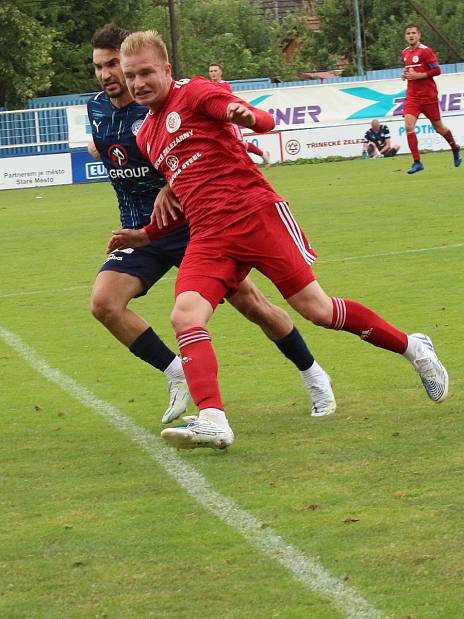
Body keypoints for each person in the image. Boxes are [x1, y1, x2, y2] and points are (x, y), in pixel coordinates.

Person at [111, 30, 448, 450]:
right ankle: (213, 417)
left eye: (146, 72)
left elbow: (262, 120)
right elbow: (184, 191)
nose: (138, 82)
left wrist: (246, 116)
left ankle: (413, 347)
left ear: (166, 69)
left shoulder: (195, 92)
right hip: (209, 235)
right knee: (185, 315)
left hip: (257, 216)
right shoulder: (146, 134)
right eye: (131, 76)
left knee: (318, 310)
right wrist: (147, 234)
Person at [87, 23, 335, 424]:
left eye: (116, 65)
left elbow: (211, 139)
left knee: (254, 305)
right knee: (104, 304)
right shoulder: (97, 107)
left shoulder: (157, 100)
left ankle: (313, 372)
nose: (109, 75)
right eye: (100, 67)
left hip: (193, 226)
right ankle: (177, 374)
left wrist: (174, 183)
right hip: (141, 230)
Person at [401, 24, 461, 174]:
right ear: (405, 36)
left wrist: (419, 76)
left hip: (428, 97)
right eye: (408, 33)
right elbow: (411, 70)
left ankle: (454, 147)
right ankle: (417, 162)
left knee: (439, 128)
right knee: (409, 126)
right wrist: (406, 75)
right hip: (412, 97)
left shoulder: (425, 51)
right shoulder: (405, 53)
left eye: (414, 33)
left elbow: (437, 70)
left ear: (419, 35)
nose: (411, 35)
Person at [208, 63, 271, 168]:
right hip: (217, 123)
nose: (213, 73)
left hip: (229, 122)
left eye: (215, 71)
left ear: (220, 72)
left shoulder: (224, 85)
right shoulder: (209, 85)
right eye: (211, 71)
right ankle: (261, 155)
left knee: (239, 145)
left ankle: (254, 163)